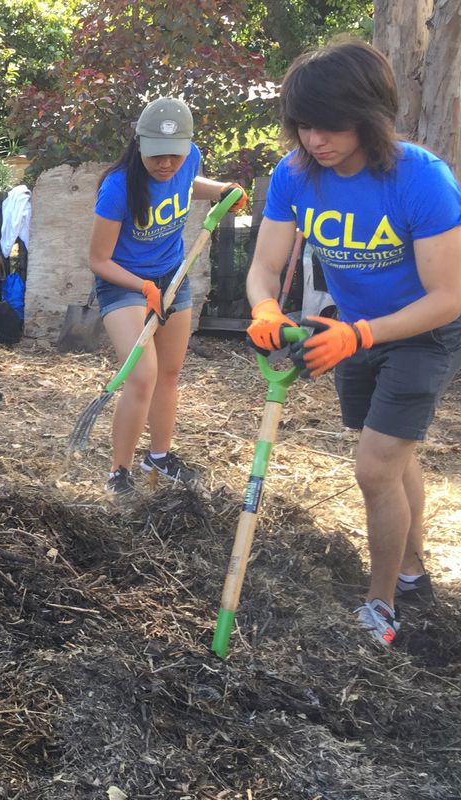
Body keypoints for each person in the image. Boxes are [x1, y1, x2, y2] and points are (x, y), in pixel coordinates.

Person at [244, 39, 461, 646]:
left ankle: (381, 603)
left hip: (423, 332)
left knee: (373, 468)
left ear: (371, 115)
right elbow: (264, 267)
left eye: (332, 125)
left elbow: (448, 296)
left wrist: (359, 334)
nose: (317, 139)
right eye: (305, 125)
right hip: (352, 329)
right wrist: (263, 306)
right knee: (395, 457)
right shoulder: (294, 175)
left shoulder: (422, 180)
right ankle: (414, 570)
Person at [89, 97, 247, 495]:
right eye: (158, 156)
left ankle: (158, 456)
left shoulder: (186, 159)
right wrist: (142, 288)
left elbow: (189, 182)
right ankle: (118, 472)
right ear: (139, 144)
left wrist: (222, 191)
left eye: (174, 156)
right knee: (142, 376)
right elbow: (98, 260)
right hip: (124, 282)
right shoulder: (118, 188)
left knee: (170, 374)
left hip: (173, 277)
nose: (166, 165)